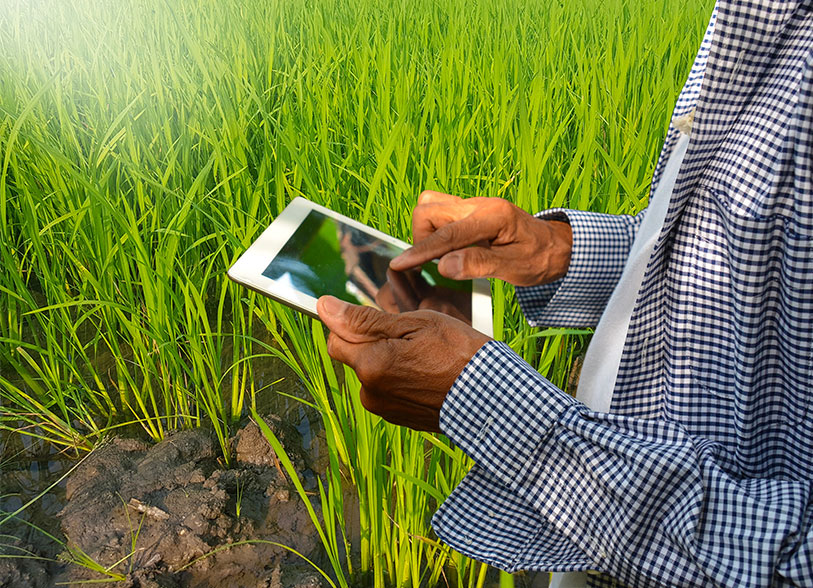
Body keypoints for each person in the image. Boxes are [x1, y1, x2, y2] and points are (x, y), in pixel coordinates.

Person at [316, 1, 813, 586]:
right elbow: (737, 258)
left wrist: (499, 413)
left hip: (627, 530)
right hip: (607, 530)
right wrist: (551, 250)